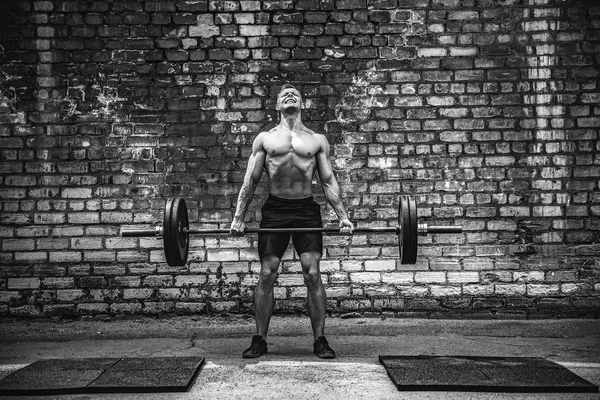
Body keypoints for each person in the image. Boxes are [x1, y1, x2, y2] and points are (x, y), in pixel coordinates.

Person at [230, 84, 355, 359]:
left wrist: (343, 217)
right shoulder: (264, 139)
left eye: (295, 95)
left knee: (312, 273)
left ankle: (320, 339)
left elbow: (328, 181)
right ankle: (259, 340)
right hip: (275, 210)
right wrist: (238, 217)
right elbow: (250, 181)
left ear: (302, 104)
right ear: (277, 106)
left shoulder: (316, 140)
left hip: (306, 210)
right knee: (267, 272)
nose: (290, 97)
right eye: (284, 95)